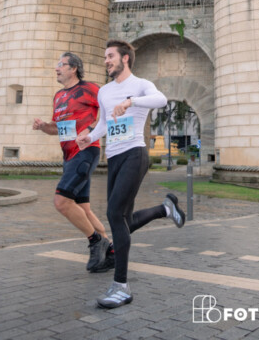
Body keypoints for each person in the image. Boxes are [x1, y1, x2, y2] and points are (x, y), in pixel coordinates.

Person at [77, 39, 186, 309]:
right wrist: (89, 137)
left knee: (114, 214)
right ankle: (165, 208)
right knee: (123, 220)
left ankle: (121, 287)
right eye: (105, 57)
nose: (106, 61)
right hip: (114, 157)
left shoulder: (140, 85)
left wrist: (130, 102)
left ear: (125, 58)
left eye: (110, 56)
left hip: (135, 154)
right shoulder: (104, 91)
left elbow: (161, 99)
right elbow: (104, 123)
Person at [32, 52, 111, 273]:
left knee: (61, 201)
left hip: (85, 152)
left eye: (61, 64)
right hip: (68, 157)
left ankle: (95, 241)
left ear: (73, 68)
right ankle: (110, 251)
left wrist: (91, 129)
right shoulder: (58, 96)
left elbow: (109, 111)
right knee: (83, 209)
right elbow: (57, 129)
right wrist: (43, 126)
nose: (56, 68)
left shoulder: (89, 89)